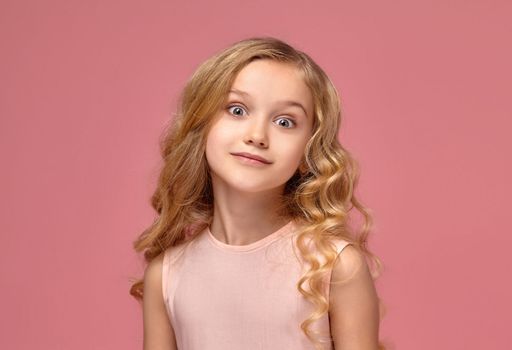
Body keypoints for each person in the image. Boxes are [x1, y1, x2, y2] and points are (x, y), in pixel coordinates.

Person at [129, 36, 387, 350]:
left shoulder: (335, 266)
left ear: (309, 153)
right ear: (201, 125)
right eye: (237, 110)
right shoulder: (166, 276)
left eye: (284, 121)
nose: (257, 136)